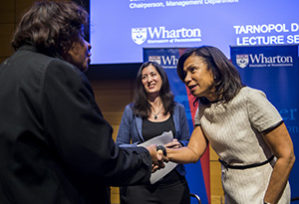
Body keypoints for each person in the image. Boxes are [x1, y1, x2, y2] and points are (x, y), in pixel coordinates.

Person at [0, 1, 163, 204]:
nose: (89, 44)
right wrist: (145, 157)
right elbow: (99, 159)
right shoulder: (57, 73)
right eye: (81, 35)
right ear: (63, 36)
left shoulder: (5, 70)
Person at [164, 46, 295, 204]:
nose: (187, 78)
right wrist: (161, 153)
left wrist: (267, 202)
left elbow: (286, 156)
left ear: (215, 69)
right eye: (184, 74)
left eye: (193, 70)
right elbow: (193, 152)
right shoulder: (203, 109)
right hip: (232, 193)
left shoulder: (250, 99)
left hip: (265, 192)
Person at [116, 61, 191, 204]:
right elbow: (120, 146)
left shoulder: (178, 109)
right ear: (141, 82)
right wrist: (144, 149)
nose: (149, 80)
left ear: (162, 78)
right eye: (144, 77)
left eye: (153, 75)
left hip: (173, 185)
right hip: (140, 187)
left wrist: (179, 144)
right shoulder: (130, 111)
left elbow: (187, 142)